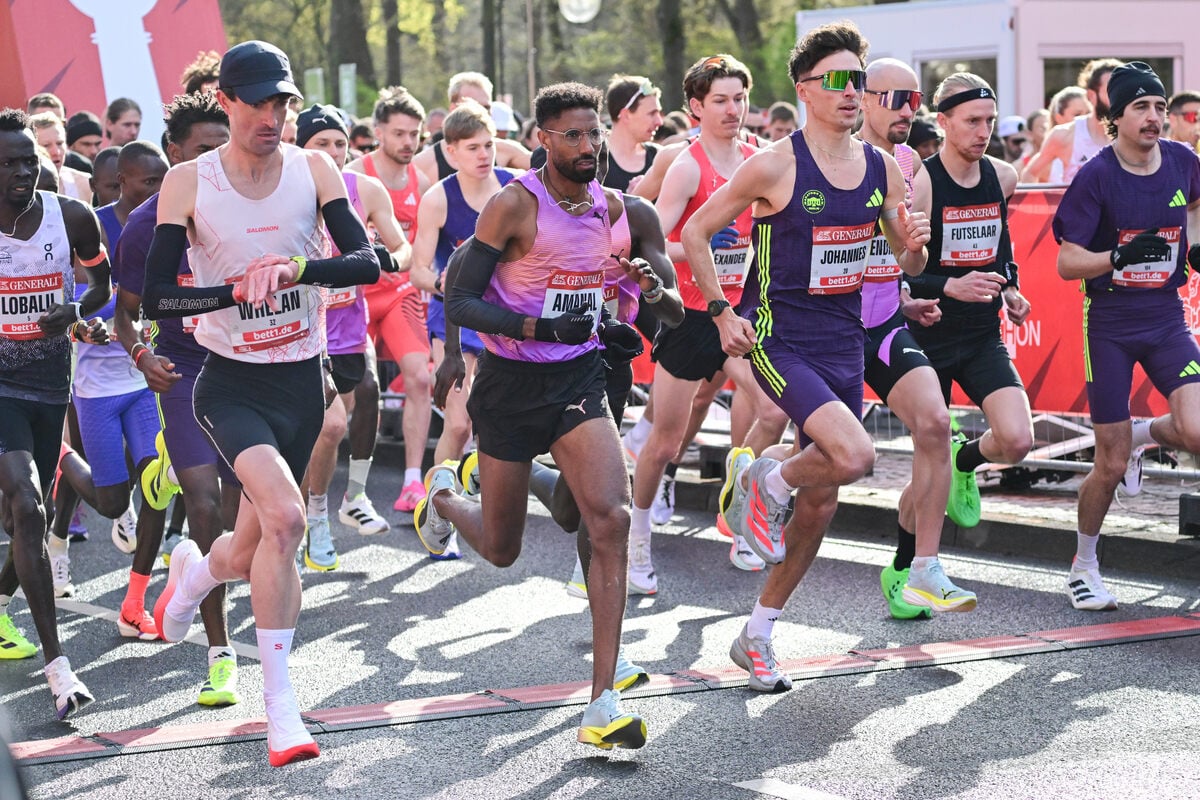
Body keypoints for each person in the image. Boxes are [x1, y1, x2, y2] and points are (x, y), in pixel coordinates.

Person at [143, 40, 378, 767]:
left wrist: (297, 268)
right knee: (284, 518)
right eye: (260, 103)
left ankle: (194, 573)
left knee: (248, 551)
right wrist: (236, 288)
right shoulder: (189, 182)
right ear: (227, 102)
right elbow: (158, 296)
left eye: (283, 103)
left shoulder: (315, 169)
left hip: (302, 380)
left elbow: (365, 261)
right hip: (231, 381)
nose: (274, 116)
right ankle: (281, 709)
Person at [681, 21, 930, 692]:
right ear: (806, 90)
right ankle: (764, 481)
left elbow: (905, 258)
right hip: (777, 338)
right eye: (840, 81)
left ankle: (756, 634)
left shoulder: (880, 167)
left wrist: (915, 244)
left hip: (842, 342)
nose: (855, 94)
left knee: (821, 505)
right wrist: (721, 311)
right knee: (855, 456)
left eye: (863, 82)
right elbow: (697, 231)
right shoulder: (776, 164)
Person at [430, 82, 650, 750]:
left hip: (577, 379)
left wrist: (613, 321)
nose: (588, 147)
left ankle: (603, 701)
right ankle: (444, 495)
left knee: (610, 517)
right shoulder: (513, 206)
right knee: (502, 549)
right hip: (508, 384)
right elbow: (460, 298)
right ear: (542, 139)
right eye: (573, 136)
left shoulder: (611, 207)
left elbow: (588, 290)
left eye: (594, 134)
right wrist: (535, 324)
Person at [633, 54, 790, 585]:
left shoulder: (760, 159)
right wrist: (697, 244)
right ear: (696, 106)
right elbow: (654, 246)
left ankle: (740, 502)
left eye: (739, 99)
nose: (732, 109)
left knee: (772, 411)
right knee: (664, 441)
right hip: (692, 318)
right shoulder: (687, 165)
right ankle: (634, 544)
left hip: (742, 315)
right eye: (720, 100)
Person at [1053, 61, 1200, 610]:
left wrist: (1195, 242)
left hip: (1164, 317)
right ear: (1114, 118)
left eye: (1160, 106)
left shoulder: (1184, 161)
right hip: (1111, 324)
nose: (1155, 116)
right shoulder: (1096, 175)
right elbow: (1068, 263)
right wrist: (1116, 256)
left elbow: (1197, 204)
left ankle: (1145, 435)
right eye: (1141, 106)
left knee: (1197, 427)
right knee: (1109, 463)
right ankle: (1084, 565)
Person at [113, 91, 242, 705]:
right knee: (207, 507)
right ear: (175, 154)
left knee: (252, 525)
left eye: (226, 145)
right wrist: (143, 356)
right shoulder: (144, 229)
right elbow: (126, 317)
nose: (218, 160)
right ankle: (221, 655)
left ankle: (189, 573)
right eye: (204, 150)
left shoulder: (253, 209)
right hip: (186, 372)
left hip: (250, 367)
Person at [0, 107, 111, 718]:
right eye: (10, 163)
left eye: (28, 160)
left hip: (50, 383)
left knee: (29, 527)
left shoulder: (69, 216)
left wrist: (71, 313)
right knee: (27, 502)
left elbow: (101, 285)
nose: (24, 170)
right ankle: (58, 667)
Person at [855, 58, 975, 616]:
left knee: (934, 424)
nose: (910, 110)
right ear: (865, 97)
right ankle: (763, 479)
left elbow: (905, 258)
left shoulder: (911, 167)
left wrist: (909, 285)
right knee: (825, 466)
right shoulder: (821, 158)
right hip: (821, 331)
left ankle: (922, 567)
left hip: (881, 323)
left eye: (916, 99)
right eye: (898, 98)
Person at [906, 72, 1034, 531]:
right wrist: (947, 286)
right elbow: (902, 268)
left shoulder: (1003, 176)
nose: (984, 133)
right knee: (925, 471)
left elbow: (1002, 243)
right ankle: (909, 565)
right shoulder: (922, 182)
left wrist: (1012, 286)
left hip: (981, 334)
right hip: (928, 339)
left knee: (1018, 440)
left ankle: (967, 459)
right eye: (972, 121)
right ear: (943, 122)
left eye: (990, 121)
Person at [297, 103, 411, 568]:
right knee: (330, 425)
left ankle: (355, 497)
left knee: (368, 393)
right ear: (299, 147)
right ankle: (316, 515)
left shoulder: (363, 188)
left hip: (348, 323)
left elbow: (403, 247)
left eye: (340, 143)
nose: (333, 153)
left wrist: (385, 259)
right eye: (321, 144)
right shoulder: (283, 190)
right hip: (301, 327)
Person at [409, 102, 518, 550]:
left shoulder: (515, 189)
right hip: (454, 318)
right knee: (456, 426)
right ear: (450, 152)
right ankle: (439, 513)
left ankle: (477, 496)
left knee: (495, 419)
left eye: (489, 144)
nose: (483, 154)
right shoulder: (439, 198)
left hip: (509, 314)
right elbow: (416, 270)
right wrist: (448, 282)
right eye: (472, 147)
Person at [345, 86, 433, 517]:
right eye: (398, 133)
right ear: (378, 131)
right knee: (354, 393)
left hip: (399, 295)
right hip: (356, 296)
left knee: (420, 377)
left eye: (414, 134)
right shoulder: (353, 175)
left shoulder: (423, 182)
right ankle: (331, 478)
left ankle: (413, 480)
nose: (407, 142)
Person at [412, 72, 530, 184]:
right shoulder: (424, 164)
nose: (481, 112)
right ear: (453, 108)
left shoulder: (506, 150)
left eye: (487, 107)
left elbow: (544, 168)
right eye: (473, 105)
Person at [1022, 59, 1120, 184]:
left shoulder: (1135, 134)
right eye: (1111, 90)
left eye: (1123, 90)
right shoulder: (1065, 135)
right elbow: (1030, 173)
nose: (1119, 96)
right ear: (1091, 96)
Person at [603, 75, 664, 193]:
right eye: (652, 113)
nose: (659, 122)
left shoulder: (659, 157)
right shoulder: (594, 162)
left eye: (658, 113)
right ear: (626, 115)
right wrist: (631, 201)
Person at [27, 113, 91, 202]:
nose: (56, 152)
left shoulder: (84, 183)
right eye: (46, 145)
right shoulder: (18, 186)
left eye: (60, 143)